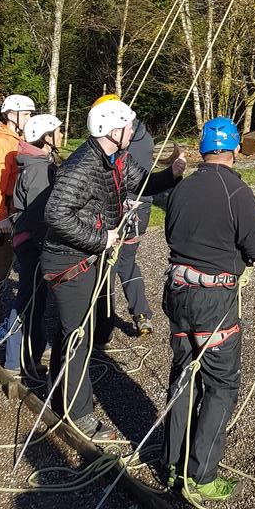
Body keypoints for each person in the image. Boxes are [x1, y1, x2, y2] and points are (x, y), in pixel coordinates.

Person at [42, 98, 184, 442]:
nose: (133, 130)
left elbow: (143, 183)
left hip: (83, 255)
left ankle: (59, 391)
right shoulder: (82, 165)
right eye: (128, 125)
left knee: (72, 332)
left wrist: (173, 174)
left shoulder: (116, 158)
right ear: (111, 130)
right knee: (79, 336)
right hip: (68, 261)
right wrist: (100, 238)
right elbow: (55, 213)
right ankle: (78, 415)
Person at [161, 116, 255, 502]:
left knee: (183, 375)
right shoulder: (237, 193)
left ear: (205, 148)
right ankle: (202, 475)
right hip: (214, 301)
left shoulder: (182, 189)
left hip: (178, 292)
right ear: (233, 150)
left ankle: (173, 464)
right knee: (221, 384)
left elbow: (173, 235)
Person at [92, 101, 179, 345]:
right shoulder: (145, 137)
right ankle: (142, 314)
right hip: (142, 208)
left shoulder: (116, 142)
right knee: (127, 261)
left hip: (118, 208)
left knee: (107, 267)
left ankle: (104, 328)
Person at [3, 114, 61, 380]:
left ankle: (33, 352)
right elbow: (40, 214)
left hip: (28, 240)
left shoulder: (38, 164)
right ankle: (14, 360)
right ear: (47, 138)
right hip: (33, 243)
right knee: (27, 301)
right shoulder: (39, 170)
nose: (61, 135)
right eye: (58, 131)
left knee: (35, 300)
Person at [0, 95, 36, 294]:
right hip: (3, 215)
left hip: (14, 210)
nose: (30, 118)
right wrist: (1, 217)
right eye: (27, 114)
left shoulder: (17, 140)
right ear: (12, 115)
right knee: (0, 270)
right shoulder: (2, 142)